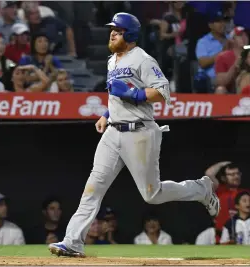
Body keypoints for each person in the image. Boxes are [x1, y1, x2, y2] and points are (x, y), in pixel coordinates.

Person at [48, 12, 220, 257]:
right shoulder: (112, 61)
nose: (112, 34)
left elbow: (163, 92)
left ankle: (201, 189)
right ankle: (73, 241)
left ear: (129, 35)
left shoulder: (143, 59)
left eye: (117, 31)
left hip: (139, 133)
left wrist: (134, 94)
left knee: (152, 194)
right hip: (113, 132)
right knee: (92, 188)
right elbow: (116, 95)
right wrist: (107, 115)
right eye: (112, 30)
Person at [205, 161, 250, 242]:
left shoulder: (246, 194)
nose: (236, 176)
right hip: (222, 238)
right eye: (232, 174)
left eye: (238, 173)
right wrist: (224, 164)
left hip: (242, 237)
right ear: (223, 178)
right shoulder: (219, 191)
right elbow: (209, 174)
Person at [215, 26, 249, 94]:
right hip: (230, 92)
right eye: (239, 35)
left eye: (245, 35)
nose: (243, 37)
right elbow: (221, 82)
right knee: (220, 89)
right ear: (232, 40)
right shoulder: (223, 57)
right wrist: (234, 66)